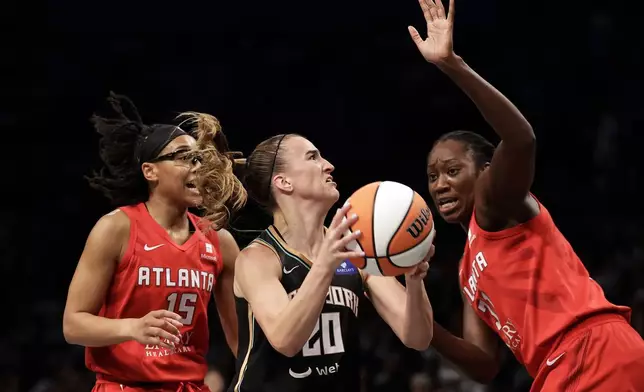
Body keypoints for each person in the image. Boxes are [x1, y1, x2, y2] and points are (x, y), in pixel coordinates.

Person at [409, 0, 644, 390]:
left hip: (591, 352)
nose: (440, 184)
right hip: (559, 369)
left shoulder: (492, 203)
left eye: (452, 171)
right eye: (432, 176)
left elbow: (520, 139)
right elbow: (484, 364)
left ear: (486, 171)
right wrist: (420, 323)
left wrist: (452, 65)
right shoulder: (467, 268)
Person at [190, 115, 436, 392]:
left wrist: (414, 279)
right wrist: (325, 264)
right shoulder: (259, 258)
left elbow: (417, 337)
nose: (328, 165)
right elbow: (285, 339)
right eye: (313, 157)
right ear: (284, 182)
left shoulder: (355, 251)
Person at [62, 93, 247, 392]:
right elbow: (73, 325)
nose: (198, 166)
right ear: (150, 171)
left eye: (198, 158)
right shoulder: (116, 228)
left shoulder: (220, 241)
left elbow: (241, 339)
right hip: (124, 386)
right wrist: (131, 327)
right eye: (184, 157)